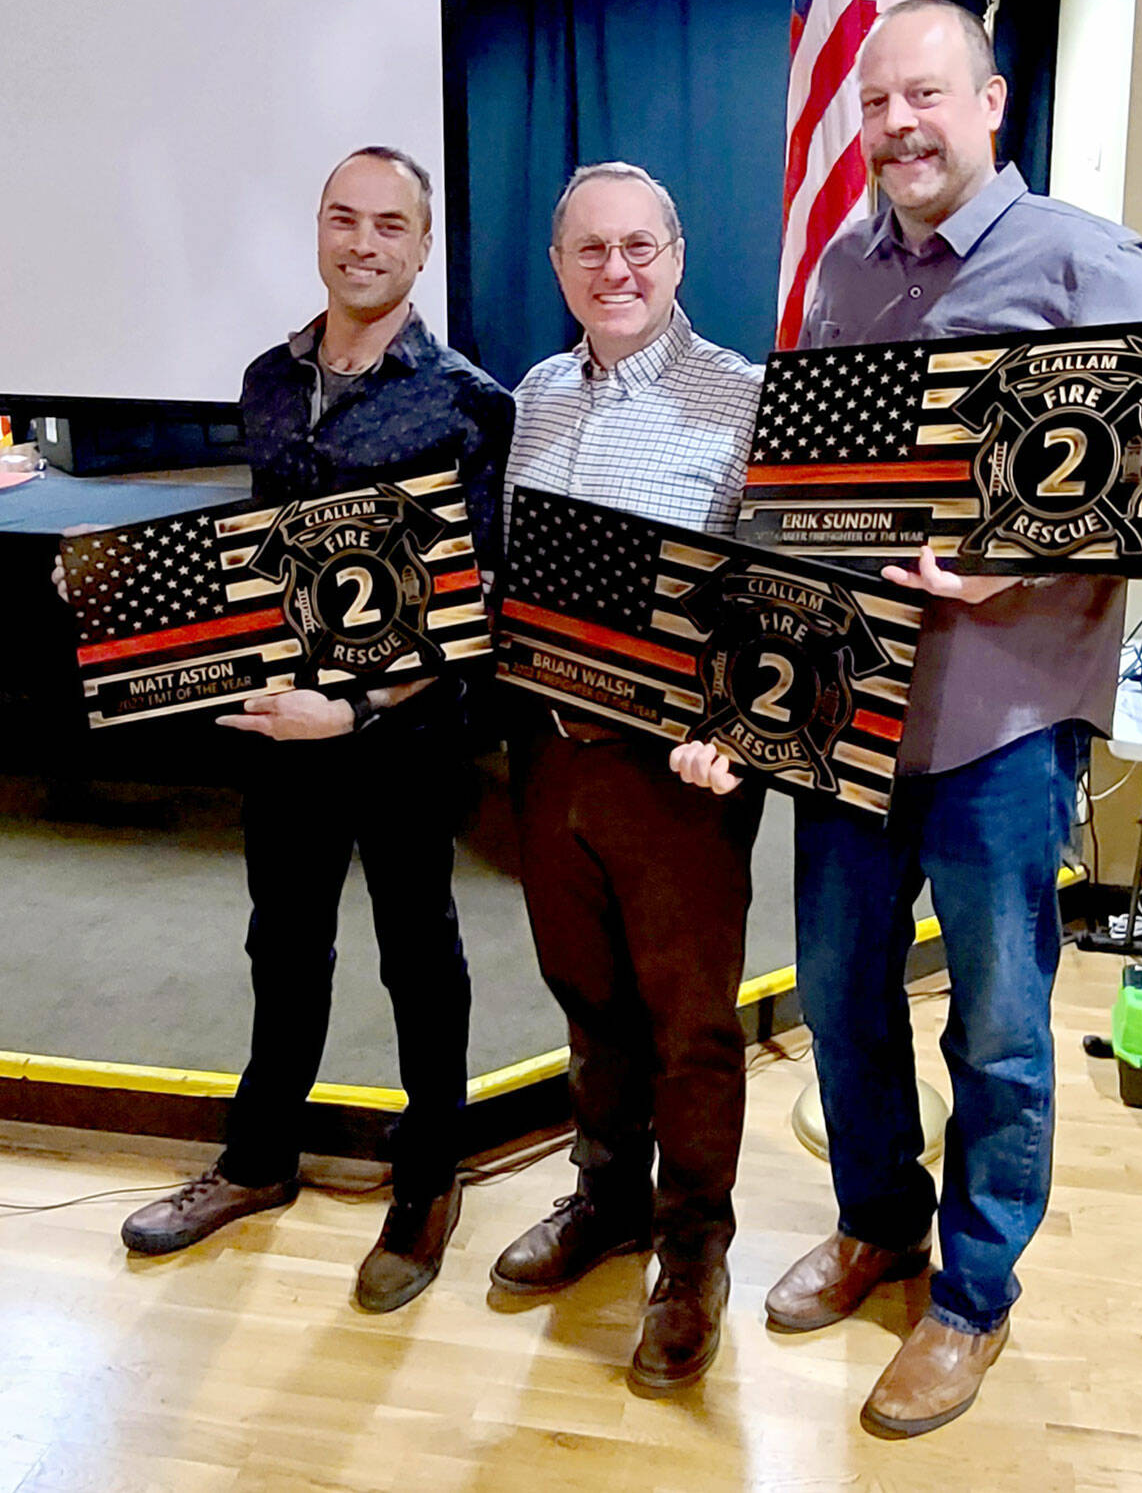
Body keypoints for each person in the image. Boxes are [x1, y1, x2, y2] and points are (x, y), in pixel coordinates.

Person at [672, 0, 1142, 1436]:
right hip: (849, 712)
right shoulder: (843, 270)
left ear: (991, 103)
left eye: (925, 97)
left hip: (1003, 727)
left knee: (1000, 1030)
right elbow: (823, 491)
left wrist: (1027, 553)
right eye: (878, 105)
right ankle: (879, 1218)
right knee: (838, 995)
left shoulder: (1083, 259)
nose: (898, 126)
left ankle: (973, 1293)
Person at [112, 147, 514, 1310]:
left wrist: (352, 707)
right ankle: (256, 1160)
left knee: (415, 952)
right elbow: (259, 568)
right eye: (343, 219)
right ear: (319, 230)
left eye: (391, 225)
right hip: (273, 730)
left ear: (423, 247)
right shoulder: (265, 381)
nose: (363, 243)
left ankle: (429, 1177)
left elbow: (473, 601)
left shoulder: (469, 402)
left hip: (402, 736)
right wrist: (120, 604)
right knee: (280, 944)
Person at [490, 162, 764, 1394]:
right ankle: (605, 1200)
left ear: (677, 253)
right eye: (589, 250)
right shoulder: (536, 396)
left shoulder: (743, 401)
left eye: (638, 247)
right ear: (557, 268)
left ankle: (693, 1248)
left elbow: (779, 613)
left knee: (691, 1026)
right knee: (585, 999)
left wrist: (737, 726)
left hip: (676, 778)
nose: (616, 270)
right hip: (549, 757)